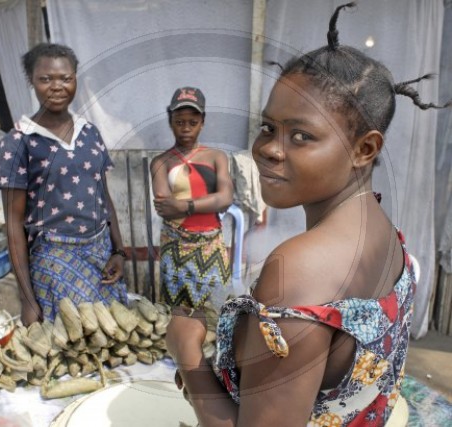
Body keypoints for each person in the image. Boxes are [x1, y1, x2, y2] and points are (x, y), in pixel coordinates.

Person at [166, 4, 449, 426]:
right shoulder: (385, 234)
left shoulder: (297, 271)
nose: (269, 149)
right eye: (267, 127)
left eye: (301, 135)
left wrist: (189, 357)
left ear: (365, 149)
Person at [0, 43, 128, 326]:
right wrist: (27, 299)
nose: (57, 86)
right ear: (31, 81)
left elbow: (103, 196)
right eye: (46, 79)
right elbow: (13, 222)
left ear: (76, 79)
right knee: (67, 350)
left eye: (65, 78)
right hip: (55, 265)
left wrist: (118, 250)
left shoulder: (89, 132)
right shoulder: (19, 140)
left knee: (112, 344)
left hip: (100, 258)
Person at [150, 87, 234, 309]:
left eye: (192, 122)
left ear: (203, 122)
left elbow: (226, 198)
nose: (186, 128)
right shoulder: (160, 162)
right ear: (170, 122)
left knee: (217, 314)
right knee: (176, 315)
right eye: (179, 122)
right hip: (175, 248)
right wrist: (207, 202)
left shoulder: (217, 157)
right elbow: (166, 208)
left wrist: (185, 205)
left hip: (211, 248)